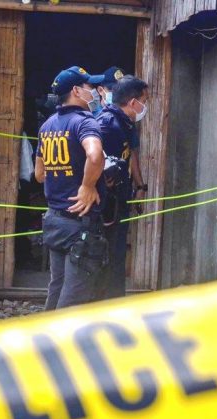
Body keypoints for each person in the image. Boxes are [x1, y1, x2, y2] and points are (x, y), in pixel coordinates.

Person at [35, 66, 108, 310]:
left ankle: (43, 344)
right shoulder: (84, 123)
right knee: (74, 298)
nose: (95, 92)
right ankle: (60, 345)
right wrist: (87, 185)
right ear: (76, 91)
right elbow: (95, 155)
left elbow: (39, 174)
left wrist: (63, 177)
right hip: (80, 224)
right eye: (89, 88)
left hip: (55, 220)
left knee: (57, 286)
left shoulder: (47, 126)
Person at [94, 75, 149, 300]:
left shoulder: (124, 123)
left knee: (116, 255)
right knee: (106, 255)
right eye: (144, 100)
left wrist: (139, 186)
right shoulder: (108, 125)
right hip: (106, 204)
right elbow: (96, 165)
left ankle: (114, 302)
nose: (146, 106)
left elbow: (128, 158)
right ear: (132, 101)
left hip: (118, 200)